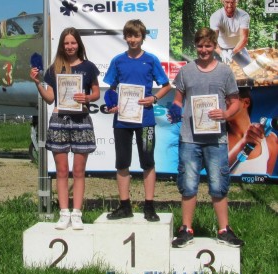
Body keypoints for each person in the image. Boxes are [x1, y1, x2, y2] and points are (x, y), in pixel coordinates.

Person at [170, 27, 244, 248]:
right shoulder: (186, 71)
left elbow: (235, 102)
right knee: (189, 184)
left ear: (214, 46)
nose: (204, 50)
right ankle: (186, 229)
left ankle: (224, 230)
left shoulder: (225, 72)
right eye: (200, 46)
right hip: (189, 138)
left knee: (218, 185)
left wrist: (226, 114)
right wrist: (174, 110)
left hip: (216, 139)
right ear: (196, 46)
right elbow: (177, 99)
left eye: (208, 46)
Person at [30, 27, 100, 230]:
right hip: (59, 120)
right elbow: (50, 98)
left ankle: (76, 213)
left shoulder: (89, 67)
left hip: (81, 120)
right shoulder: (54, 68)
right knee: (61, 171)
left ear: (79, 44)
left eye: (73, 42)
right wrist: (37, 83)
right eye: (66, 43)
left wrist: (87, 98)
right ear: (62, 45)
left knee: (79, 171)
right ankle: (63, 213)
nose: (70, 46)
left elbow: (95, 93)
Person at [103, 19, 171, 222]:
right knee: (122, 163)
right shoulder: (118, 61)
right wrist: (111, 103)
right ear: (125, 37)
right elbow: (111, 89)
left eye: (137, 36)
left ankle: (149, 206)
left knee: (148, 162)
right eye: (129, 36)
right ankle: (125, 206)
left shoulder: (151, 60)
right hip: (122, 120)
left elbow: (166, 85)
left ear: (143, 37)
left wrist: (155, 98)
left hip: (146, 121)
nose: (133, 40)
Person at [227, 87, 278, 175]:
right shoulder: (213, 139)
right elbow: (212, 176)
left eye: (226, 99)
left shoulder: (270, 140)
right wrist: (243, 143)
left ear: (246, 102)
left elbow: (265, 185)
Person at [210, 0, 252, 68]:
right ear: (222, 1)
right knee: (214, 71)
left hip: (238, 47)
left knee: (250, 69)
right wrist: (221, 53)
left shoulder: (243, 15)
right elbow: (212, 40)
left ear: (237, 2)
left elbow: (244, 38)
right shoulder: (216, 16)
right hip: (220, 47)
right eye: (227, 2)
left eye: (232, 2)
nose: (230, 5)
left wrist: (232, 52)